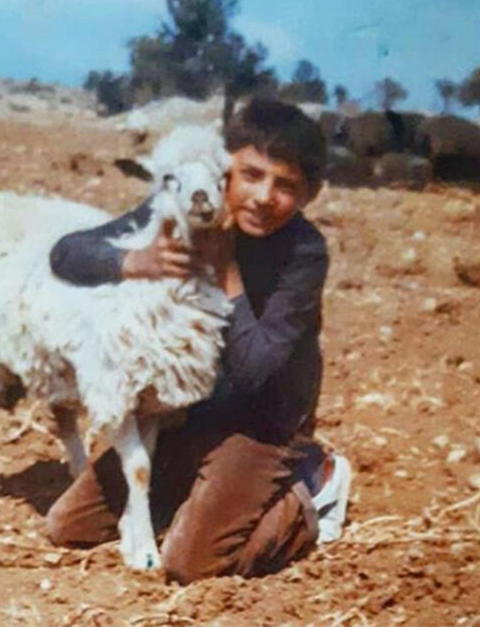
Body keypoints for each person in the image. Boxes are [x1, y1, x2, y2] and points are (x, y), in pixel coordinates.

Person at [45, 98, 351, 583]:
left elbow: (253, 371)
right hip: (186, 413)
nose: (263, 196)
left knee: (190, 564)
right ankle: (198, 494)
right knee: (68, 525)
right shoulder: (192, 201)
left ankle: (314, 487)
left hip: (264, 425)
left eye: (286, 185)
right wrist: (134, 261)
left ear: (311, 194)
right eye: (250, 174)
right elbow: (66, 253)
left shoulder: (304, 253)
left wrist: (226, 268)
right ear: (224, 167)